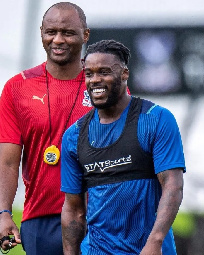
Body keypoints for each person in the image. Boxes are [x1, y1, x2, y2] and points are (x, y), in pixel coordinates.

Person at [61, 39, 185, 255]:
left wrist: (155, 241)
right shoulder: (74, 136)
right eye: (89, 74)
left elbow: (173, 186)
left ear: (125, 74)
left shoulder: (156, 119)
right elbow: (73, 209)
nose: (95, 80)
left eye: (104, 72)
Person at [0, 2, 92, 254]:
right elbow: (8, 161)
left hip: (97, 216)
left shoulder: (103, 84)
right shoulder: (16, 88)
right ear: (41, 31)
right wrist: (3, 212)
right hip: (41, 218)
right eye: (51, 32)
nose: (58, 40)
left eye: (68, 33)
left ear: (85, 35)